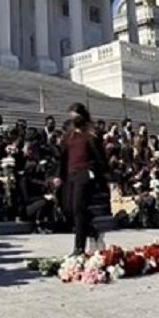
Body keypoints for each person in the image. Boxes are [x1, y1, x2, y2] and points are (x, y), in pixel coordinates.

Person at [59, 103, 107, 255]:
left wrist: (100, 174)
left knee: (78, 209)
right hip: (69, 175)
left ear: (82, 115)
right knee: (68, 208)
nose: (73, 118)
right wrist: (58, 176)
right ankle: (92, 230)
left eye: (75, 115)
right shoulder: (69, 135)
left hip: (85, 174)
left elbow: (100, 157)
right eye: (71, 115)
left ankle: (78, 248)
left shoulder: (92, 133)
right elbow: (63, 157)